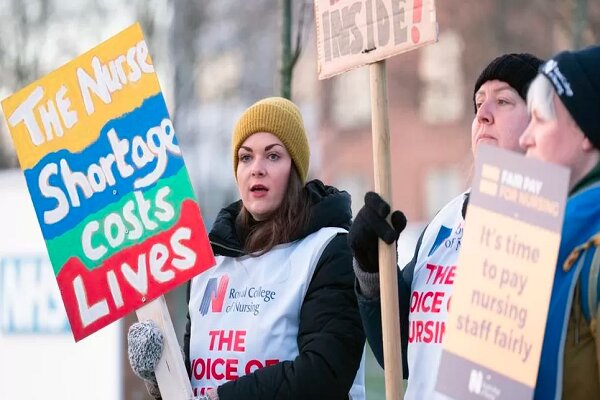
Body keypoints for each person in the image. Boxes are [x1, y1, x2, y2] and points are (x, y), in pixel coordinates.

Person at [127, 97, 366, 400]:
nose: (257, 169)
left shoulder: (329, 250)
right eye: (245, 157)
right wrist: (161, 374)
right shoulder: (209, 261)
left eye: (273, 156)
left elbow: (323, 374)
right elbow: (195, 381)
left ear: (295, 168)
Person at [347, 53, 543, 399]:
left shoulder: (549, 223)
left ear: (539, 120)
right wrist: (372, 269)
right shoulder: (448, 219)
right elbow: (400, 354)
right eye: (478, 103)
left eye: (503, 101)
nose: (483, 114)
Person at [519, 45, 600, 400]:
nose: (525, 138)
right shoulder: (553, 239)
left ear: (586, 132)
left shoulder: (593, 255)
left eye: (539, 118)